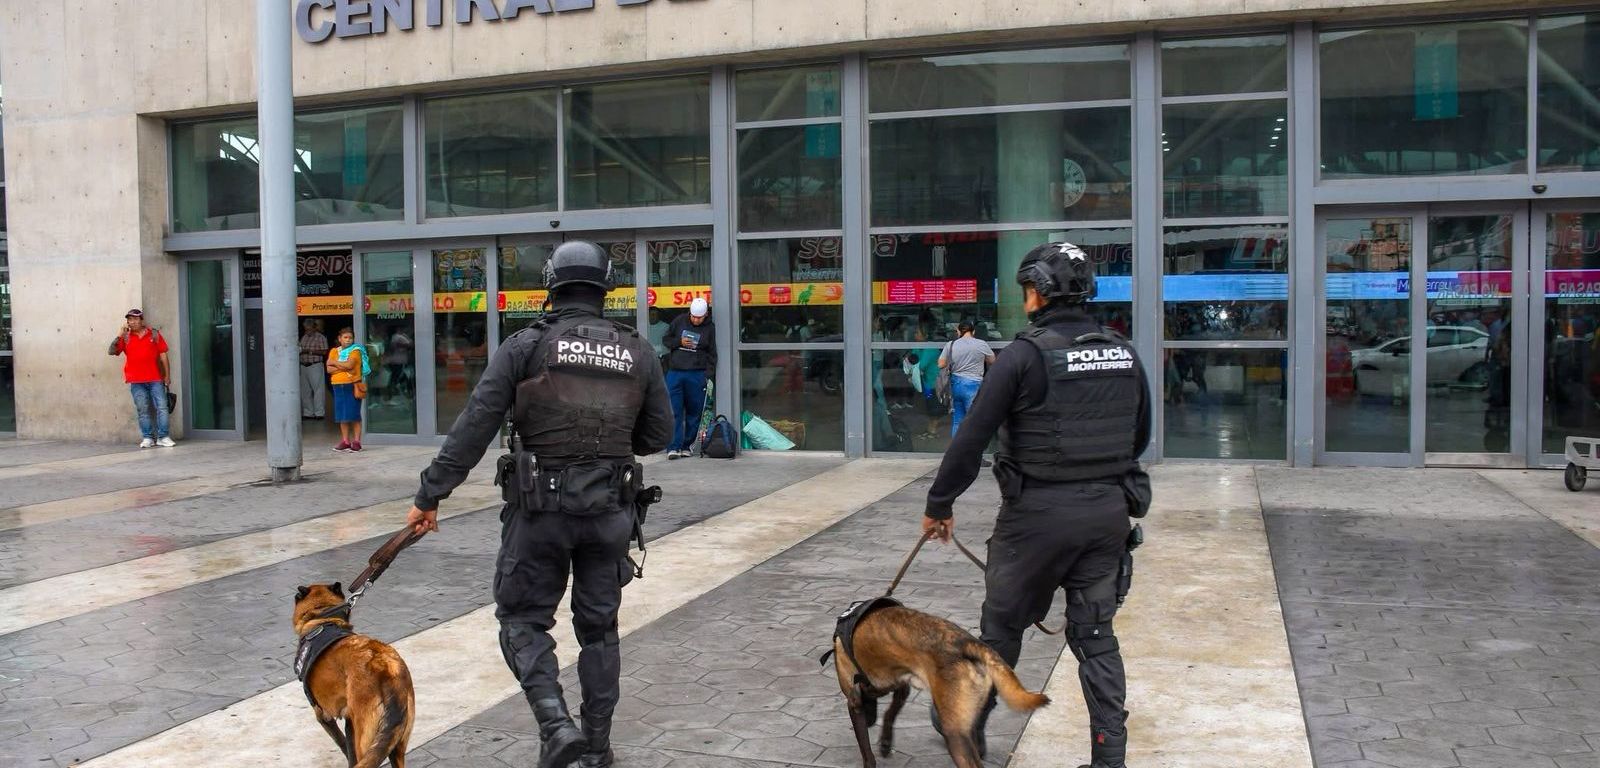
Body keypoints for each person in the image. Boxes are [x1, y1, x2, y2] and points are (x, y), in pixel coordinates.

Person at [405, 241, 672, 768]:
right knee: (599, 631)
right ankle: (596, 750)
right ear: (605, 286)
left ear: (551, 284)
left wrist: (430, 495)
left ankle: (555, 727)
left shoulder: (525, 345)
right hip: (609, 514)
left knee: (522, 620)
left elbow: (475, 425)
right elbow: (659, 435)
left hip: (539, 513)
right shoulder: (638, 350)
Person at [922, 242, 1152, 768]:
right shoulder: (1123, 352)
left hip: (1035, 521)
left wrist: (940, 504)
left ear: (1039, 293)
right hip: (1106, 516)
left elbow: (971, 438)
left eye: (1027, 288)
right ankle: (1110, 758)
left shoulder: (1024, 356)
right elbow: (1139, 436)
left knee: (1002, 630)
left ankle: (966, 726)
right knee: (1096, 637)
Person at [107, 308, 175, 448]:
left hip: (155, 379)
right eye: (130, 319)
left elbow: (163, 356)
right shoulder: (125, 337)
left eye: (136, 319)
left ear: (142, 321)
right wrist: (119, 335)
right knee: (142, 410)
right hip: (136, 381)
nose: (133, 322)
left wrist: (167, 376)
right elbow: (112, 351)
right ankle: (148, 437)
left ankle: (163, 437)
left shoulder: (154, 334)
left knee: (162, 408)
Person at [662, 297, 716, 459]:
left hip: (697, 373)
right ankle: (673, 447)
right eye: (693, 317)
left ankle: (687, 446)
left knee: (695, 412)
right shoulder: (679, 321)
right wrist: (679, 342)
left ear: (705, 315)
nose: (696, 320)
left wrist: (708, 375)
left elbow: (712, 353)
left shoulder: (709, 328)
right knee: (674, 410)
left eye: (699, 318)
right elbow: (666, 340)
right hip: (676, 372)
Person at [938, 320, 994, 437]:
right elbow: (992, 361)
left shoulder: (951, 345)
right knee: (974, 421)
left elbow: (941, 364)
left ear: (958, 331)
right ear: (973, 331)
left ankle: (957, 448)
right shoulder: (981, 344)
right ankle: (973, 448)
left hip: (956, 385)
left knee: (958, 421)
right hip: (973, 385)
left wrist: (954, 361)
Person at [326, 327, 367, 452]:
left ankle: (357, 442)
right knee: (342, 415)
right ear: (340, 339)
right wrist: (343, 367)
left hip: (351, 385)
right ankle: (345, 441)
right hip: (337, 386)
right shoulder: (334, 351)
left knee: (354, 414)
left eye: (350, 338)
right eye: (345, 337)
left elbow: (350, 365)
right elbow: (329, 369)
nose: (348, 340)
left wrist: (335, 363)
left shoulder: (355, 351)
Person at [299, 318, 329, 420]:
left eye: (309, 329)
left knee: (318, 390)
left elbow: (324, 351)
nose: (307, 331)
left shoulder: (320, 337)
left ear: (314, 328)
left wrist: (309, 351)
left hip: (315, 365)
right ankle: (308, 412)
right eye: (306, 329)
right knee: (305, 390)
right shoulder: (304, 337)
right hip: (303, 365)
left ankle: (319, 413)